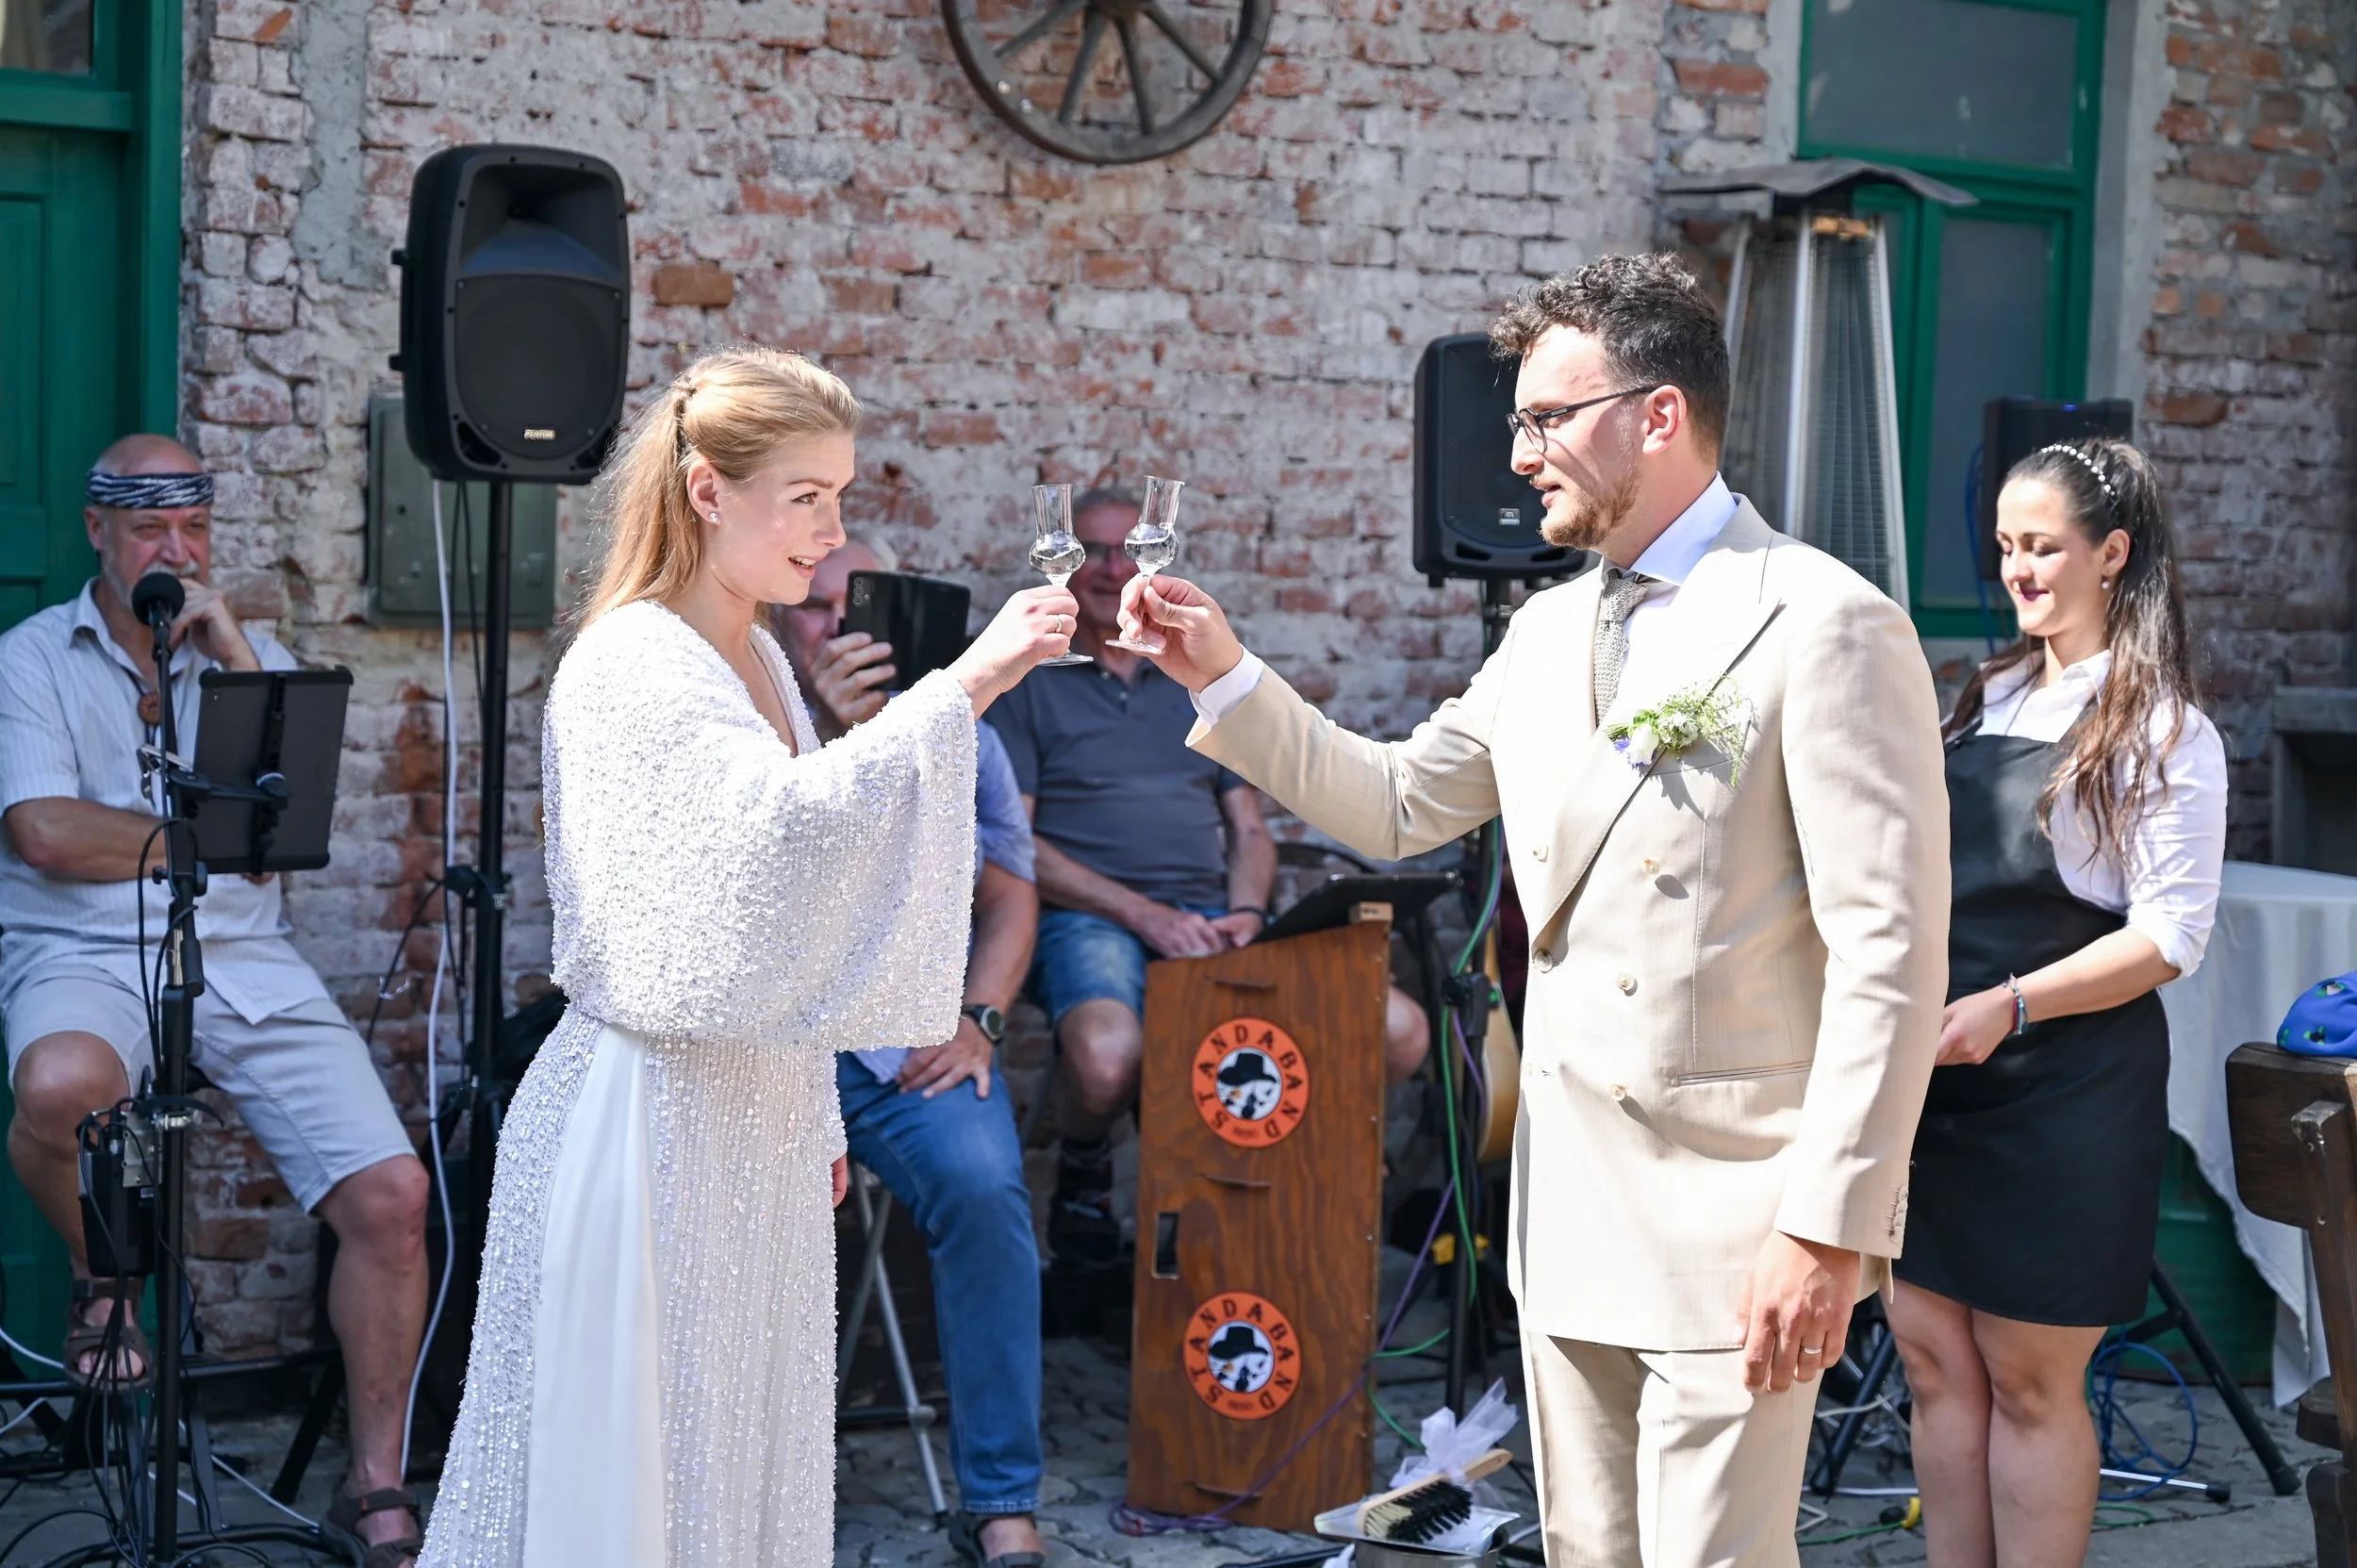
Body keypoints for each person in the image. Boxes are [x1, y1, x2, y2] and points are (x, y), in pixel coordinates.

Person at [1121, 255, 1950, 1567]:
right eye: (1519, 422)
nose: (1520, 454)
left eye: (1548, 418)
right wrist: (1224, 673)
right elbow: (1395, 799)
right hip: (1567, 1221)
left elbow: (1890, 959)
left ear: (1659, 414)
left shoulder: (1822, 623)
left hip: (1739, 1225)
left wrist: (1827, 1227)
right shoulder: (1549, 633)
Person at [417, 348, 1074, 1567]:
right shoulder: (634, 658)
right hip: (649, 1112)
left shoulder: (763, 655)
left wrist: (816, 1108)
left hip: (759, 1110)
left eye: (840, 494)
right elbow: (767, 842)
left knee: (739, 1454)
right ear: (709, 490)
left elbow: (804, 893)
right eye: (806, 496)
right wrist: (970, 681)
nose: (833, 534)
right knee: (636, 1462)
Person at [0, 437, 432, 1565]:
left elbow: (279, 846)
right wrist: (209, 833)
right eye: (152, 531)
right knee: (61, 1088)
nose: (175, 551)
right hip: (80, 950)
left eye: (194, 529)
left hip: (245, 962)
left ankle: (375, 1481)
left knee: (391, 1198)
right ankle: (108, 1283)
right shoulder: (32, 660)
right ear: (97, 530)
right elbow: (42, 830)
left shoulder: (250, 659)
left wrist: (234, 643)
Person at [1886, 438, 2225, 1568]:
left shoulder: (2167, 730)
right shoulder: (1985, 694)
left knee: (2032, 1384)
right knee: (1934, 1365)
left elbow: (2168, 936)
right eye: (2003, 548)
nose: (2016, 571)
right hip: (1939, 1089)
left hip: (2062, 1097)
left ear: (2112, 553)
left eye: (2042, 547)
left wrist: (2009, 1007)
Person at [986, 487, 1430, 1269]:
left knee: (1398, 1028)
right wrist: (1147, 915)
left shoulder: (1191, 672)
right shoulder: (1033, 678)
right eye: (1090, 550)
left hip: (1213, 916)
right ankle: (1086, 1177)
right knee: (1105, 1055)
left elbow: (1250, 828)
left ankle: (1309, 1181)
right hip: (1093, 917)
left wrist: (1249, 912)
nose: (1110, 567)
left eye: (1128, 548)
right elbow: (1017, 848)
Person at [773, 538, 1050, 1568]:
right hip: (773, 1044)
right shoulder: (756, 726)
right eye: (814, 606)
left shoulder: (958, 727)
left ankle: (999, 1499)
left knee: (985, 1192)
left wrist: (980, 1013)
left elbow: (1012, 891)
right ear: (776, 616)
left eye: (860, 602)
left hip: (901, 1046)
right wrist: (841, 746)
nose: (838, 623)